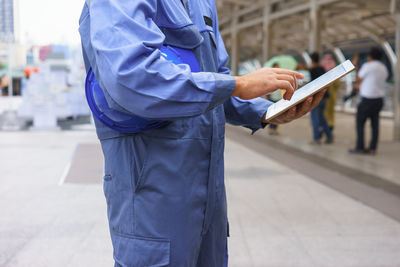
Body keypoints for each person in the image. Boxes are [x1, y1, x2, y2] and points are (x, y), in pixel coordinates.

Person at [78, 1, 326, 266]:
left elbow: (216, 81)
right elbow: (130, 76)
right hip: (152, 193)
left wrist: (266, 111)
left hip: (208, 198)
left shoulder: (203, 3)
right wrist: (238, 85)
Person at [349, 48, 388, 155]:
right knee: (375, 124)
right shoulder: (383, 68)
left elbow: (358, 79)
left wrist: (356, 68)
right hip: (379, 100)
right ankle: (372, 148)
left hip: (367, 99)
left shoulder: (367, 66)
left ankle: (360, 147)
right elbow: (374, 82)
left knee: (360, 123)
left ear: (370, 56)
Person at [309, 52, 333, 144]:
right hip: (324, 96)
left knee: (315, 118)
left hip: (316, 98)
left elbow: (312, 85)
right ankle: (329, 136)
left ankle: (316, 138)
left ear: (311, 60)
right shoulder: (322, 68)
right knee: (322, 118)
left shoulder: (313, 70)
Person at [321, 53, 340, 132]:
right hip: (333, 96)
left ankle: (325, 128)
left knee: (325, 113)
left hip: (325, 96)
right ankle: (331, 125)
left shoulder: (323, 73)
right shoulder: (335, 72)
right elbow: (338, 84)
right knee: (331, 112)